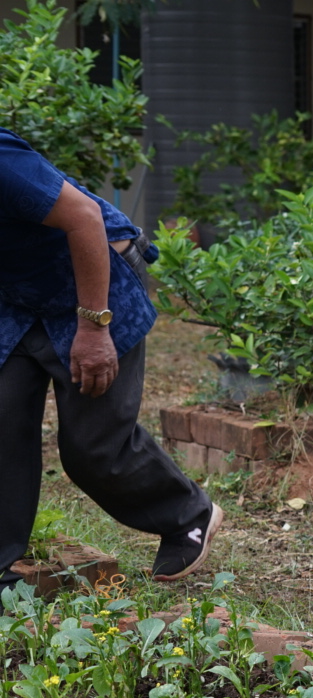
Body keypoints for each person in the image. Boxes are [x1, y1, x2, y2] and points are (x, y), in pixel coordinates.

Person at [0, 128, 222, 588]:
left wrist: (93, 326)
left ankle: (187, 515)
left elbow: (84, 218)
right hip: (19, 293)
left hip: (92, 278)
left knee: (93, 447)